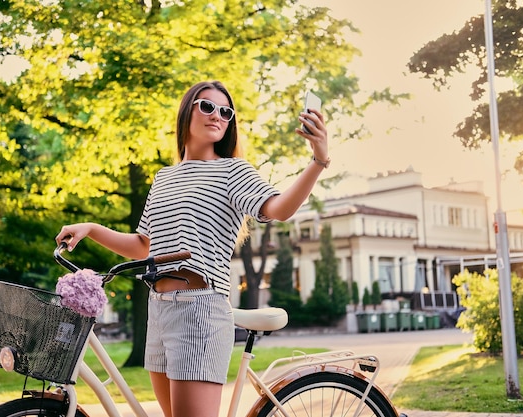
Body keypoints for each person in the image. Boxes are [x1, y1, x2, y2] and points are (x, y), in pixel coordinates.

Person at [55, 80, 329, 417]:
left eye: (226, 112)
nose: (217, 116)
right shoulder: (164, 178)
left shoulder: (232, 170)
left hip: (199, 310)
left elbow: (279, 209)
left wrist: (318, 160)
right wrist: (92, 229)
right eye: (208, 106)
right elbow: (143, 246)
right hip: (160, 310)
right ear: (187, 111)